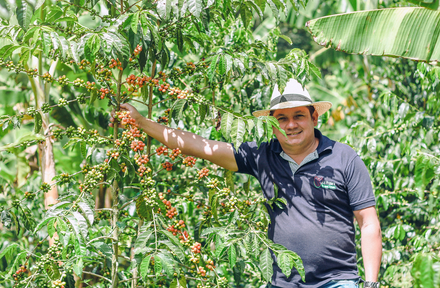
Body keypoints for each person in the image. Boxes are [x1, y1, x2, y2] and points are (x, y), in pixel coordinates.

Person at [119, 78, 382, 288]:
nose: (291, 125)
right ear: (271, 123)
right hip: (283, 282)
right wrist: (142, 122)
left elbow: (368, 221)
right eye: (282, 118)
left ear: (314, 118)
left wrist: (371, 283)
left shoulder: (343, 157)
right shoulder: (261, 156)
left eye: (299, 116)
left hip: (338, 282)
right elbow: (199, 146)